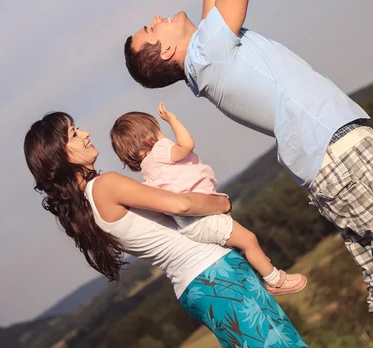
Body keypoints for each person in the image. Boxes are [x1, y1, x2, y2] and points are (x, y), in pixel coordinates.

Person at [124, 0, 372, 312]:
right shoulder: (207, 54)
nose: (158, 17)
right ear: (162, 53)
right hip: (338, 150)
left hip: (328, 158)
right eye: (151, 27)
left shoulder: (203, 56)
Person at [24, 112, 308, 348]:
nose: (85, 133)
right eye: (74, 133)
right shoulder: (106, 186)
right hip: (215, 274)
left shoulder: (82, 214)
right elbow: (181, 205)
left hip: (194, 288)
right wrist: (221, 203)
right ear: (58, 155)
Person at [111, 102, 307, 296]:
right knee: (249, 240)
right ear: (148, 135)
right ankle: (275, 281)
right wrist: (172, 120)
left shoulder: (148, 169)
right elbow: (187, 145)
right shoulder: (161, 152)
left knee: (238, 244)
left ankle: (252, 275)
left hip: (192, 221)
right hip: (201, 216)